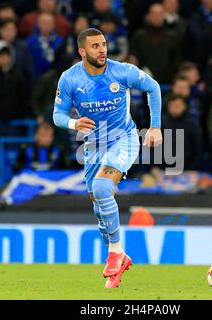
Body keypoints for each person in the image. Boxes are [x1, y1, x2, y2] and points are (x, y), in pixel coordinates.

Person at [52, 28, 162, 288]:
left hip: (123, 138)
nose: (102, 50)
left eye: (103, 44)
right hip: (94, 145)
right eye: (95, 46)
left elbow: (153, 87)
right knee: (97, 201)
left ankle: (114, 252)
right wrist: (73, 123)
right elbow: (57, 115)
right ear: (82, 51)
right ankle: (119, 256)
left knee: (102, 187)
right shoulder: (69, 79)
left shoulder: (121, 71)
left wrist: (155, 125)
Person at [162, 95, 202, 171]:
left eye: (177, 106)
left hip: (187, 168)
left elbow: (198, 149)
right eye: (171, 106)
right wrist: (155, 166)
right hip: (164, 168)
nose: (174, 108)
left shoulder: (192, 124)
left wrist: (193, 168)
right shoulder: (161, 123)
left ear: (184, 106)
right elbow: (154, 147)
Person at [26, 12, 66, 79]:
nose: (46, 26)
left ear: (53, 25)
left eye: (49, 23)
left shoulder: (60, 42)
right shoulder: (29, 42)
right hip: (36, 78)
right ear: (38, 24)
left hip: (56, 79)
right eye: (43, 23)